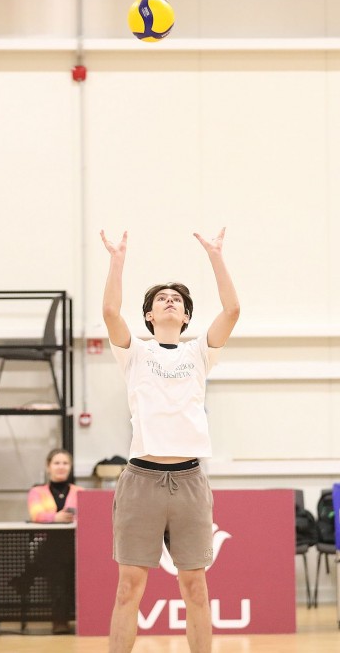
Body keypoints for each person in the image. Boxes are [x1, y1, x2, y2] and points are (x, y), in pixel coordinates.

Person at [100, 228, 239, 653]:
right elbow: (109, 311)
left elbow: (232, 309)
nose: (169, 301)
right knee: (129, 588)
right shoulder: (135, 353)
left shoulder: (199, 352)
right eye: (161, 298)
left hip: (189, 481)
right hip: (141, 481)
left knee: (195, 587)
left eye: (176, 299)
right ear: (149, 315)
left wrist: (215, 255)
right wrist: (117, 260)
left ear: (185, 317)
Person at [16, 448, 82, 634]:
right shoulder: (36, 492)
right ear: (48, 467)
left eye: (65, 463)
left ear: (70, 467)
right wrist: (55, 518)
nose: (61, 467)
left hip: (76, 546)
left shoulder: (80, 492)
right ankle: (60, 620)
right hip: (48, 548)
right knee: (57, 575)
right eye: (57, 463)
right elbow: (36, 514)